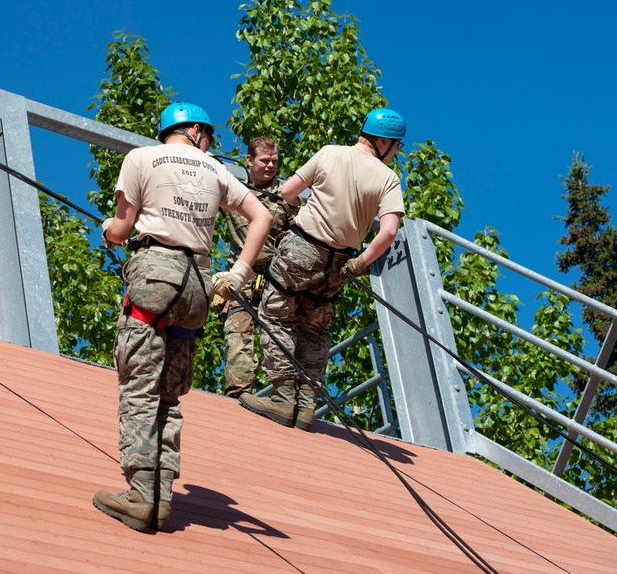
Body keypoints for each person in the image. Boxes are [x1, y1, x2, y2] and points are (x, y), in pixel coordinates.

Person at [93, 102, 271, 532]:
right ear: (194, 130)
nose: (209, 142)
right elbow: (261, 216)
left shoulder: (141, 158)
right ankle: (162, 499)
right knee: (169, 396)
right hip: (199, 283)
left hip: (155, 273)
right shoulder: (214, 169)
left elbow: (122, 228)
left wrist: (108, 232)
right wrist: (240, 274)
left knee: (140, 386)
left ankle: (140, 497)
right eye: (208, 134)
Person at [240, 109, 406, 431]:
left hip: (301, 249)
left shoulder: (330, 153)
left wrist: (306, 207)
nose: (396, 152)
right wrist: (360, 263)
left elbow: (287, 192)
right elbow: (387, 232)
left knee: (276, 314)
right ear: (383, 141)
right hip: (340, 264)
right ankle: (306, 407)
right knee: (315, 329)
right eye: (397, 146)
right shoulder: (388, 179)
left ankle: (283, 398)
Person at [217, 136, 301, 398]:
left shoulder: (286, 196)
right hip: (240, 279)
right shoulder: (235, 191)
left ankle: (285, 399)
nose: (270, 166)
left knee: (279, 341)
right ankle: (238, 396)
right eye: (265, 161)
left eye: (274, 161)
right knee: (237, 336)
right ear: (249, 160)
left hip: (275, 282)